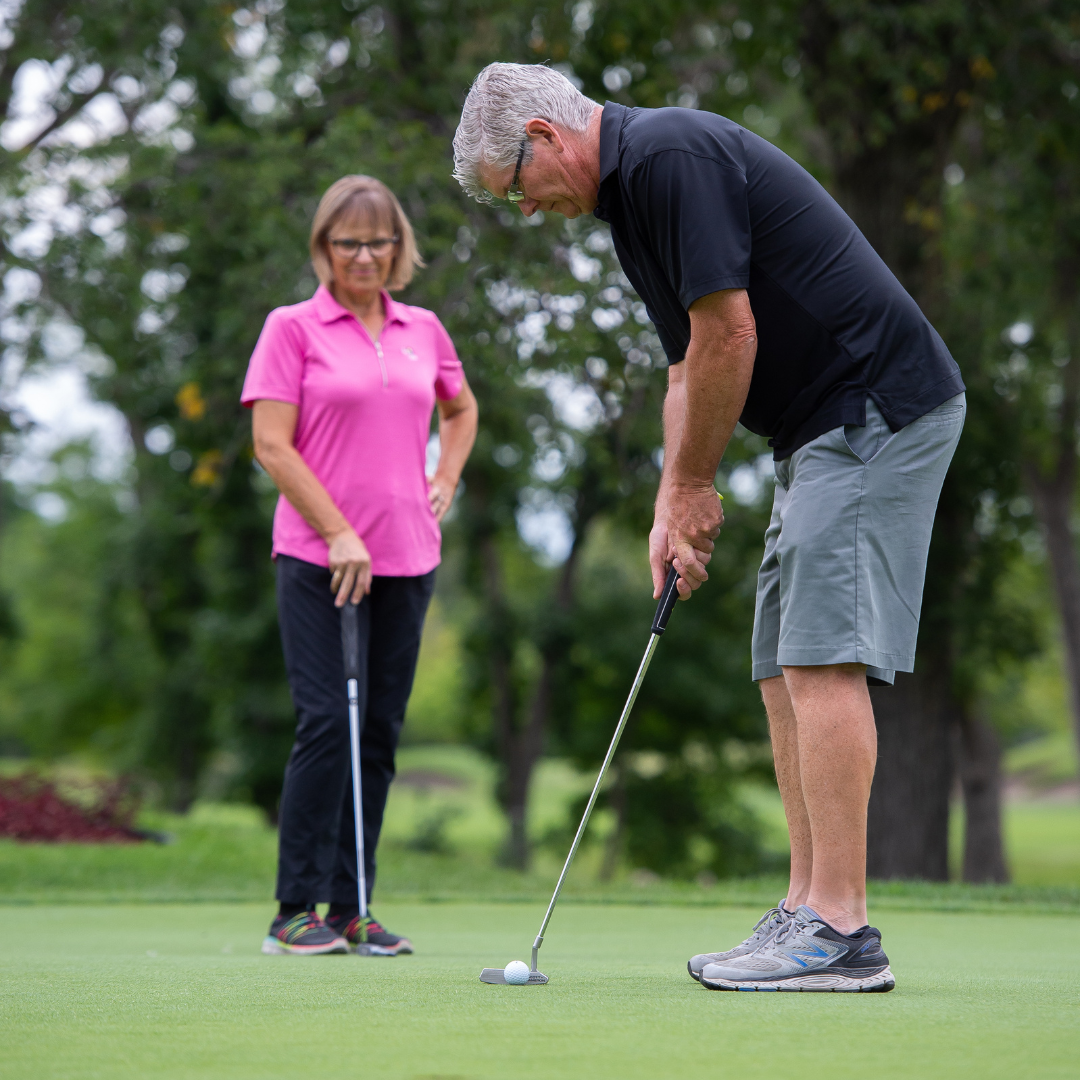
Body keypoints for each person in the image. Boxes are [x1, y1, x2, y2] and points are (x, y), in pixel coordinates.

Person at [453, 63, 966, 992]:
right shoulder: (631, 204)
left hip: (874, 407)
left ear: (542, 136)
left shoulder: (668, 156)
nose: (526, 212)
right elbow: (688, 367)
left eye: (517, 192)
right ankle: (806, 906)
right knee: (782, 663)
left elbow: (732, 335)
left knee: (822, 655)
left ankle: (841, 928)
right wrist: (668, 506)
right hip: (817, 430)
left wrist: (696, 484)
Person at [241, 175, 478, 956]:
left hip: (408, 556)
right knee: (323, 725)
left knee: (376, 733)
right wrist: (339, 531)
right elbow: (271, 444)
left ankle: (353, 908)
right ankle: (293, 911)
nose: (365, 256)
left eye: (379, 241)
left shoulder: (423, 327)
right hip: (320, 556)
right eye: (349, 242)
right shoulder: (292, 328)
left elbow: (461, 407)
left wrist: (444, 477)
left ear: (399, 247)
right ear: (324, 249)